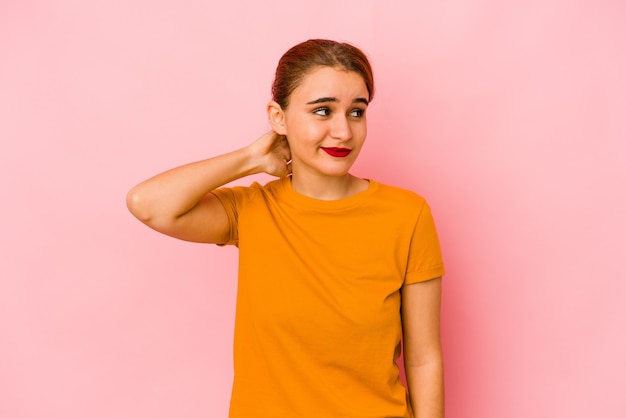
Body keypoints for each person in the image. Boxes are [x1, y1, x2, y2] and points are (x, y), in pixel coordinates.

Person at [127, 39, 445, 418]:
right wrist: (250, 158)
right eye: (323, 111)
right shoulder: (253, 210)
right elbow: (147, 204)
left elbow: (424, 359)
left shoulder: (407, 214)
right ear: (278, 117)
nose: (343, 131)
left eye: (356, 112)